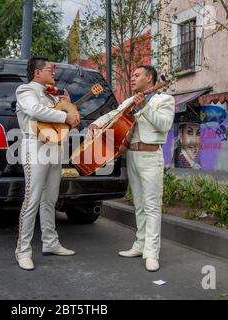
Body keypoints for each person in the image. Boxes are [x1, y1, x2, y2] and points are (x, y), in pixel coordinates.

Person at [87, 65, 175, 272]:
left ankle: (152, 253)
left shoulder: (165, 100)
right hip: (132, 155)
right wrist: (95, 125)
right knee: (139, 205)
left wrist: (144, 106)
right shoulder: (129, 100)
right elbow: (113, 115)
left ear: (149, 78)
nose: (133, 79)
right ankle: (139, 244)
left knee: (152, 206)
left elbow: (164, 125)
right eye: (133, 75)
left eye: (137, 75)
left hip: (151, 155)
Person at [14, 56, 80, 271]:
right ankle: (22, 250)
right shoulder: (26, 90)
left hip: (54, 148)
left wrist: (68, 106)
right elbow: (34, 111)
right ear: (37, 72)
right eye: (50, 69)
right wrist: (64, 115)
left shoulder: (51, 95)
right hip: (35, 147)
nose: (54, 72)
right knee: (32, 199)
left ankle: (50, 243)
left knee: (50, 199)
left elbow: (64, 118)